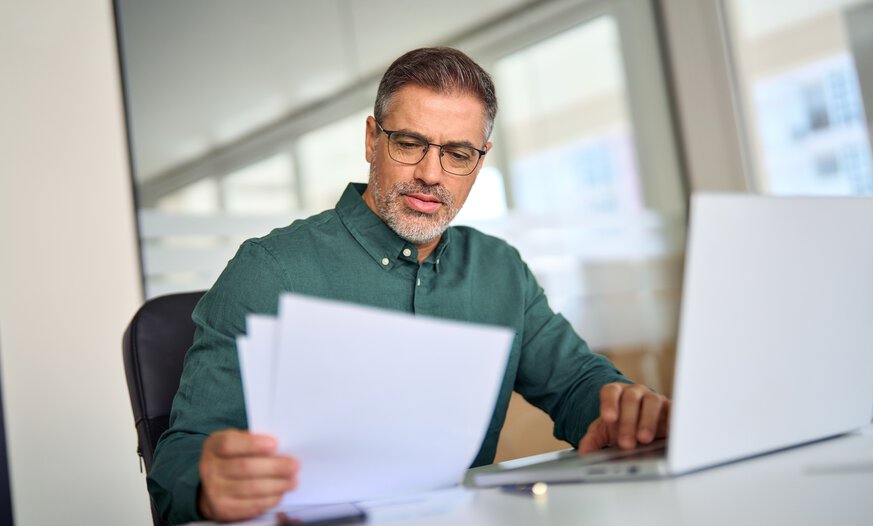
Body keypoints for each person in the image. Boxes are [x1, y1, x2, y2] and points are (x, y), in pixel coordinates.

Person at [147, 47, 670, 524]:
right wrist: (206, 483)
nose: (431, 174)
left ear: (479, 160)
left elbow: (578, 384)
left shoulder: (498, 269)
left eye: (457, 153)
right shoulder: (270, 271)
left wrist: (621, 410)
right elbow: (179, 458)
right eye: (410, 143)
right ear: (373, 139)